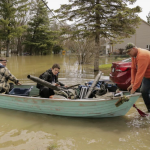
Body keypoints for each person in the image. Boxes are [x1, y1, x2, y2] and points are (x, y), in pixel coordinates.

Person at [124, 43, 150, 112]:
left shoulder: (142, 55)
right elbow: (133, 69)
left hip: (146, 75)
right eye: (127, 52)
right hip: (147, 76)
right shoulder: (134, 56)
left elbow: (140, 73)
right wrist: (132, 83)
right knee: (144, 91)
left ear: (134, 49)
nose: (128, 53)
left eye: (129, 51)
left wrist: (134, 88)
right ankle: (149, 109)